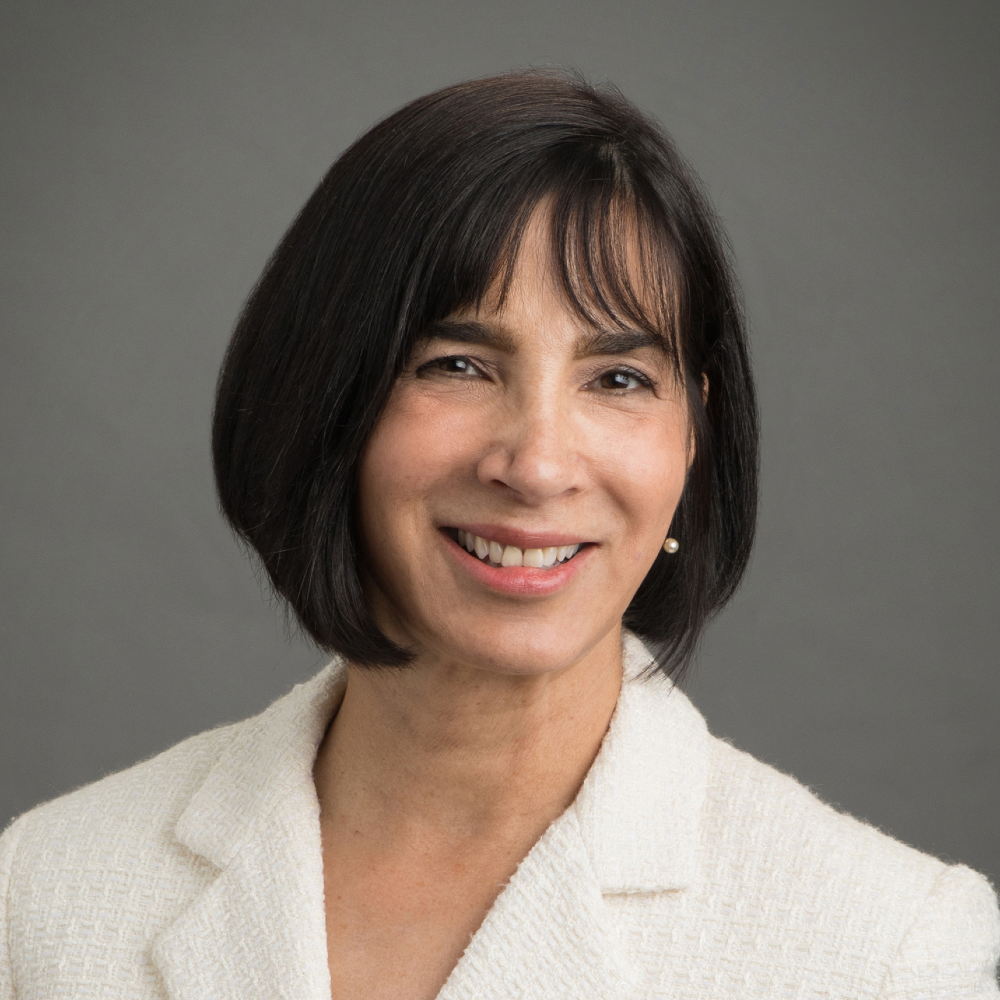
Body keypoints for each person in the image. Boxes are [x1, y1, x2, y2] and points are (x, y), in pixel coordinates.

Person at [1, 71, 997, 1000]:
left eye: (618, 379)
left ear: (693, 435)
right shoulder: (43, 898)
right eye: (457, 365)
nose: (537, 464)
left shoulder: (887, 950)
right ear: (323, 396)